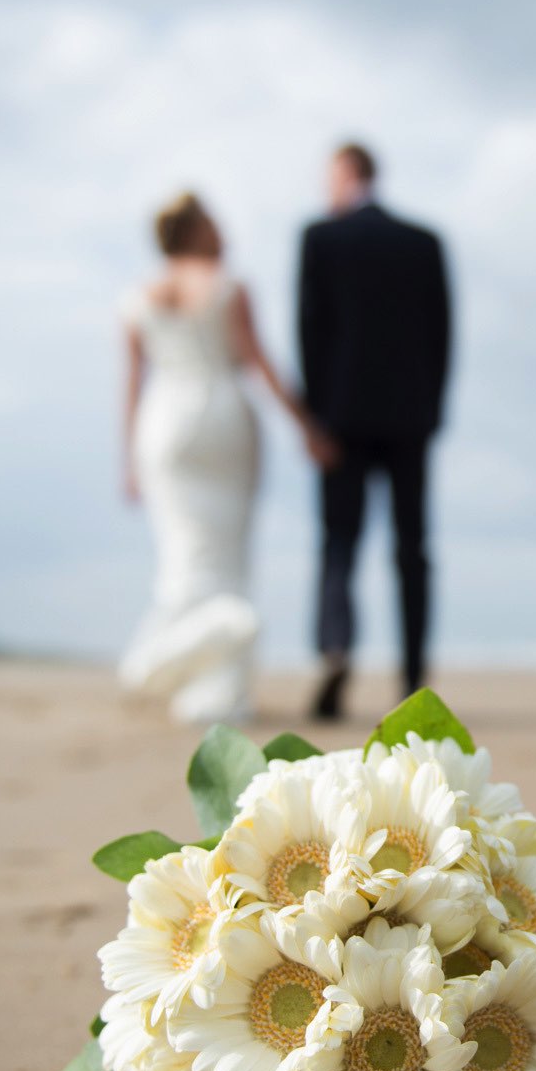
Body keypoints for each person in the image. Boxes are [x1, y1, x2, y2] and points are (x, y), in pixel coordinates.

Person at [120, 191, 332, 722]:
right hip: (223, 420)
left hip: (162, 423)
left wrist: (128, 459)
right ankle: (199, 671)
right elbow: (262, 365)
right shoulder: (228, 288)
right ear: (197, 230)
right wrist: (308, 427)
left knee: (183, 555)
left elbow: (131, 386)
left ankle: (197, 680)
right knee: (226, 560)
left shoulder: (138, 299)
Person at [298, 143, 451, 720]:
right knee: (412, 549)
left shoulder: (321, 238)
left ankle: (336, 647)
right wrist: (432, 412)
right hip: (411, 418)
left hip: (341, 418)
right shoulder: (423, 243)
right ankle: (413, 680)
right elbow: (442, 334)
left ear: (344, 174)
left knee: (340, 541)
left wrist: (315, 419)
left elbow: (311, 330)